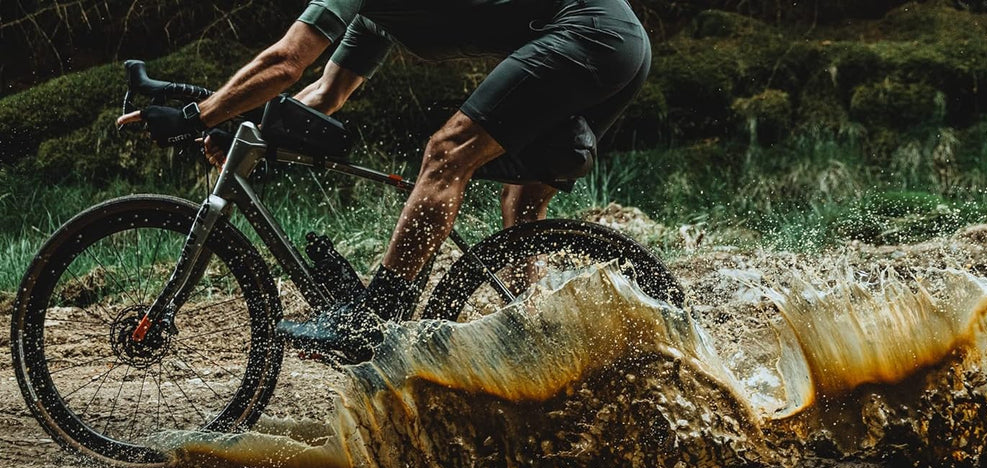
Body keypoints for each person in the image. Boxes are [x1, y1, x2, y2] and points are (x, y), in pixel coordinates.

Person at [118, 0, 652, 362]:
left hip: (590, 31)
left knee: (447, 152)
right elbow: (324, 95)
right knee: (523, 207)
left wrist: (196, 116)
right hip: (619, 41)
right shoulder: (373, 16)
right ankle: (535, 343)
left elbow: (284, 64)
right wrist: (239, 124)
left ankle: (375, 316)